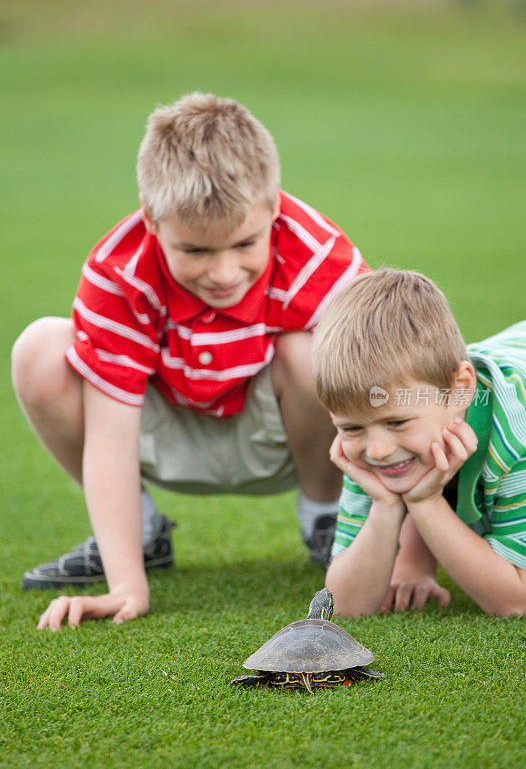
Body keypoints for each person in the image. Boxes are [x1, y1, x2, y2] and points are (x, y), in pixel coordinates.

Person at [11, 92, 369, 630]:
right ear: (153, 221)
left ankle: (326, 518)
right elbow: (109, 436)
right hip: (162, 434)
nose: (224, 274)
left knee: (317, 348)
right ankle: (143, 534)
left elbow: (379, 390)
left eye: (245, 244)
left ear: (273, 208)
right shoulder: (120, 271)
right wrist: (126, 585)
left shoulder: (317, 253)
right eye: (196, 251)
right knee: (39, 349)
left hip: (291, 440)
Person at [311, 268, 526, 618]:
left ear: (459, 389)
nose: (377, 450)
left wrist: (425, 502)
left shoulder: (516, 432)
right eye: (350, 428)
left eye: (397, 422)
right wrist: (385, 506)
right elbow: (345, 606)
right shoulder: (371, 428)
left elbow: (515, 601)